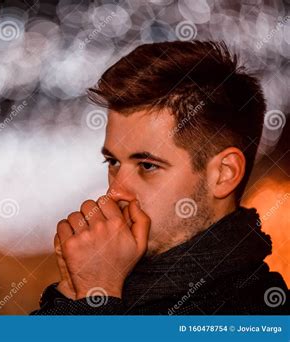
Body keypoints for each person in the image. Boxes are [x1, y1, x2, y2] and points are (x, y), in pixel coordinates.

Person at [31, 40, 289, 315]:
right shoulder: (110, 281)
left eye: (147, 166)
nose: (115, 191)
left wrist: (96, 297)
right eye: (113, 162)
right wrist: (71, 294)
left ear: (224, 174)